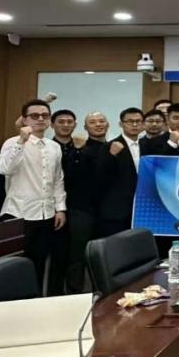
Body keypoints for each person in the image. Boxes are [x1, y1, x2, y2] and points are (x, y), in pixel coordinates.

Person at [0, 99, 67, 295]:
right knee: (16, 265)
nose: (40, 119)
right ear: (25, 119)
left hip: (46, 214)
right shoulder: (12, 142)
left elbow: (57, 178)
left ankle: (35, 301)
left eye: (45, 116)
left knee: (40, 263)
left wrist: (60, 208)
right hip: (18, 213)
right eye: (34, 116)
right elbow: (4, 169)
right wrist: (21, 141)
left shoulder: (54, 146)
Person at [50, 109, 97, 292]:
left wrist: (78, 151)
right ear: (52, 124)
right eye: (61, 122)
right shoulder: (47, 147)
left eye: (70, 122)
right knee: (56, 254)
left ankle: (75, 292)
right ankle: (53, 294)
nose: (66, 125)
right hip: (52, 207)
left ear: (75, 125)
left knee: (77, 254)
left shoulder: (86, 147)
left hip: (80, 207)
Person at [95, 107, 144, 238]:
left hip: (142, 207)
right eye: (130, 121)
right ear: (121, 124)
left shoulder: (148, 145)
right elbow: (100, 176)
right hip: (117, 210)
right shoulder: (108, 146)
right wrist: (111, 156)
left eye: (138, 121)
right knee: (116, 246)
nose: (134, 125)